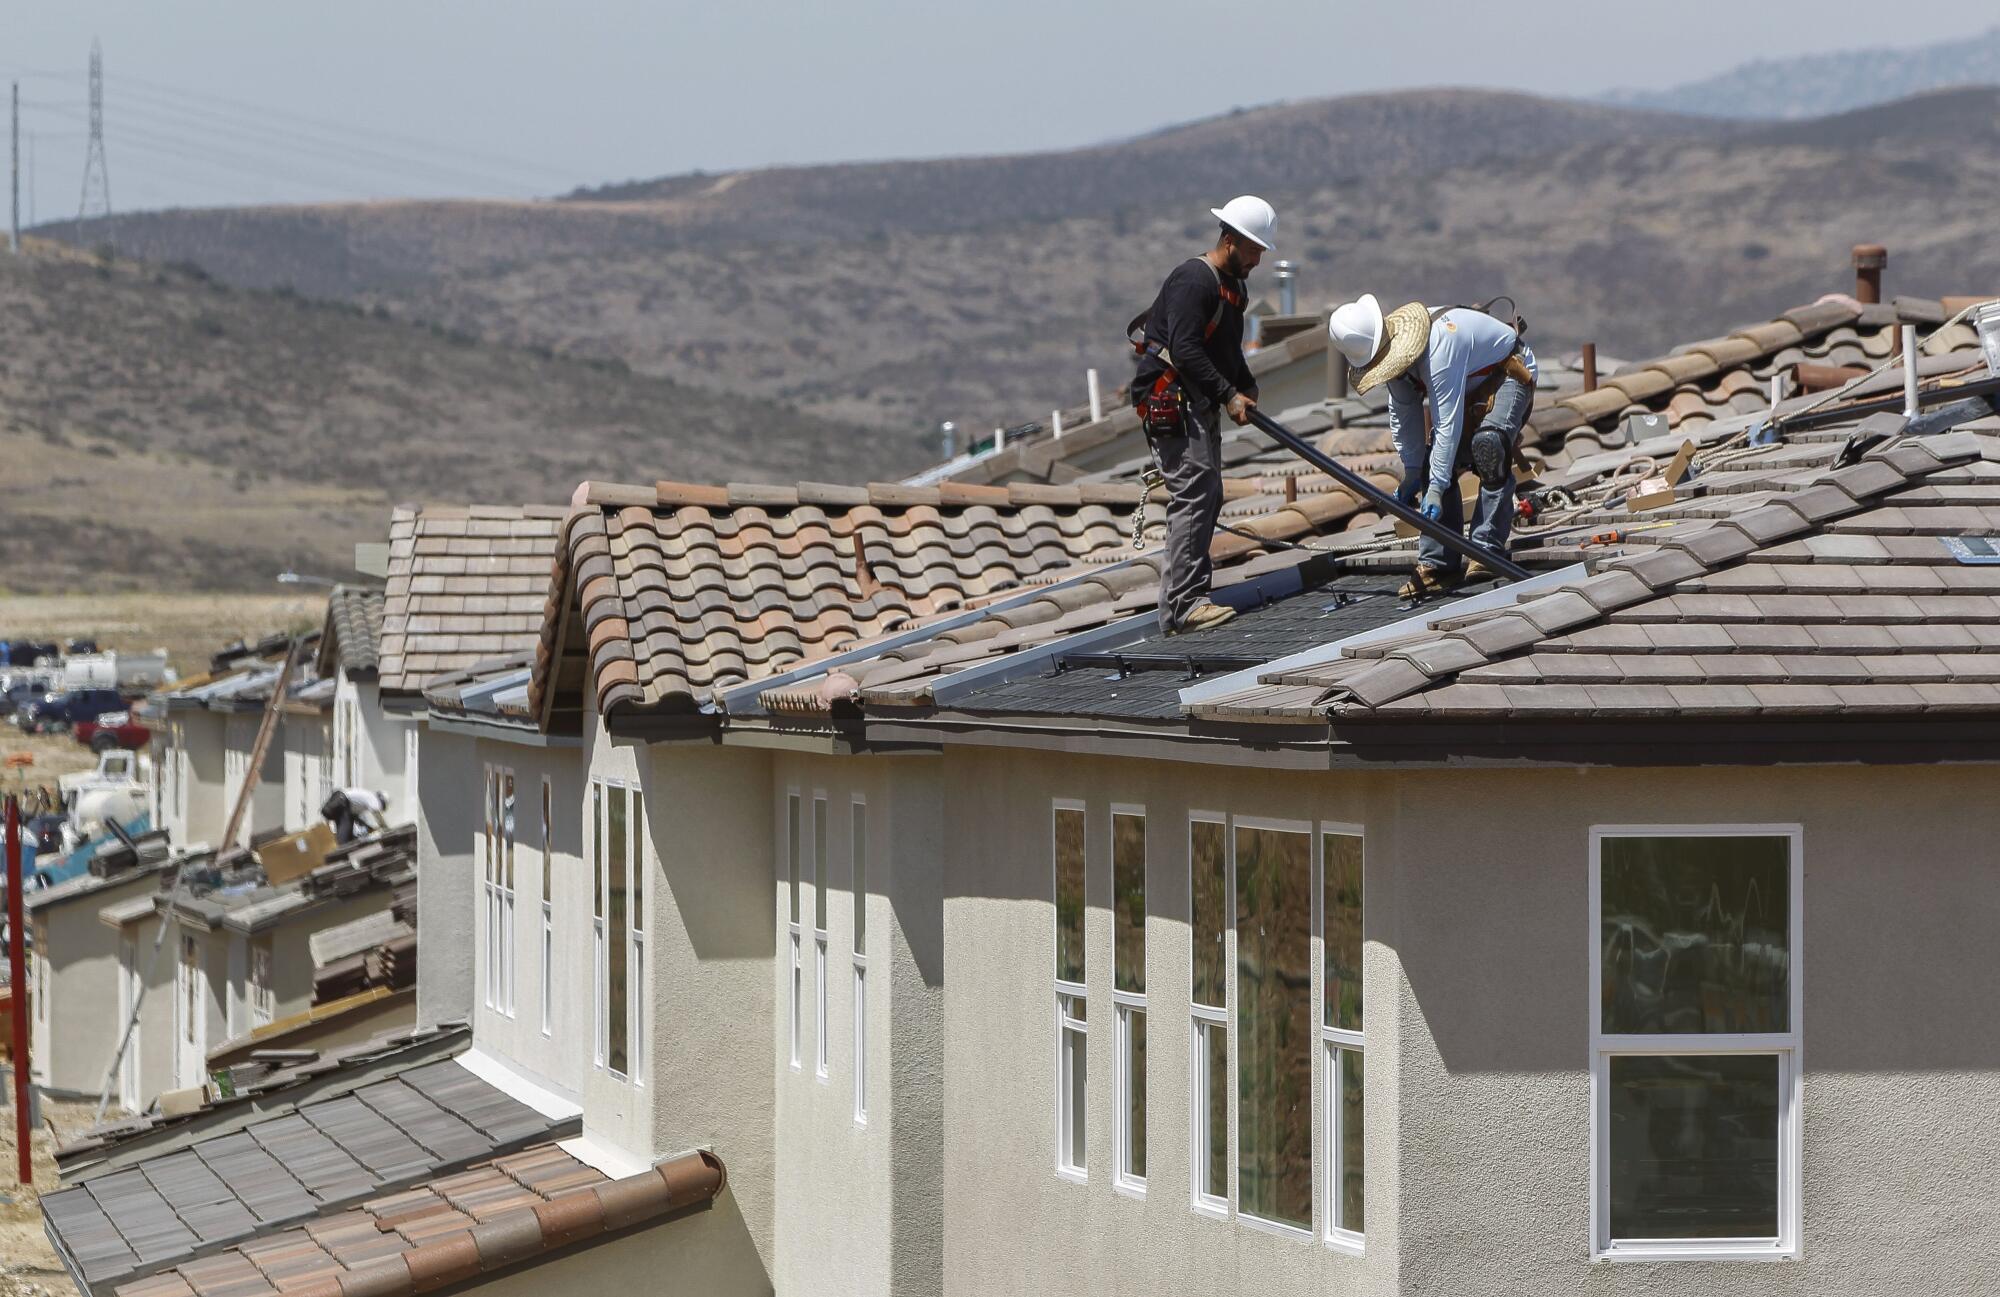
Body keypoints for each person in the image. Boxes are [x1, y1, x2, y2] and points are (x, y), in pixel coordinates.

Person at [1129, 195, 1278, 635]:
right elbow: (1188, 349)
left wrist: (1243, 382)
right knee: (1195, 492)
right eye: (1252, 250)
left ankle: (1183, 604)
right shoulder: (1196, 279)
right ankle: (1186, 604)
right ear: (1229, 241)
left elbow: (1225, 349)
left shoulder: (1235, 288)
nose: (1257, 260)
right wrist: (1229, 395)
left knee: (1207, 492)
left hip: (1198, 398)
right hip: (1171, 396)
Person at [1328, 294, 1537, 597]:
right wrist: (1412, 471)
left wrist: (1436, 487)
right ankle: (1440, 564)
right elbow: (1405, 416)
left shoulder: (1440, 345)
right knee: (1430, 463)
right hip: (1468, 385)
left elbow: (1446, 423)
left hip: (1506, 373)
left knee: (1489, 446)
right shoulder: (1395, 365)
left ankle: (1486, 548)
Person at [321, 786, 390, 845]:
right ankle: (341, 854)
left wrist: (369, 828)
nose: (380, 807)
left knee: (349, 836)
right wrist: (385, 828)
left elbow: (357, 819)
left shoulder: (363, 800)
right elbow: (377, 814)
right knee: (344, 837)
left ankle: (344, 850)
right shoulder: (374, 798)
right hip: (342, 802)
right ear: (382, 800)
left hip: (340, 801)